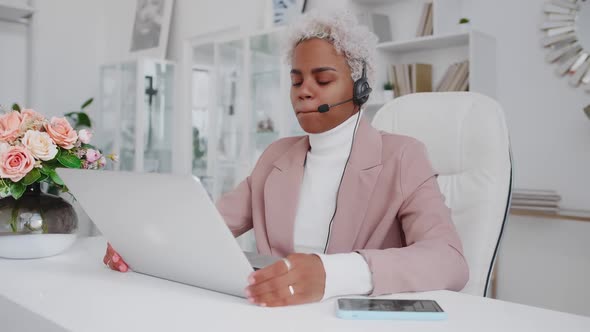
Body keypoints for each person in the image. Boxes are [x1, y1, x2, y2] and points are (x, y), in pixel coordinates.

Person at [104, 10, 469, 308]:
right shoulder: (277, 156)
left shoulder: (403, 156)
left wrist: (332, 273)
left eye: (322, 80)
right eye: (296, 81)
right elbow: (208, 226)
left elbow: (449, 260)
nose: (304, 91)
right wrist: (143, 243)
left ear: (360, 88)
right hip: (275, 316)